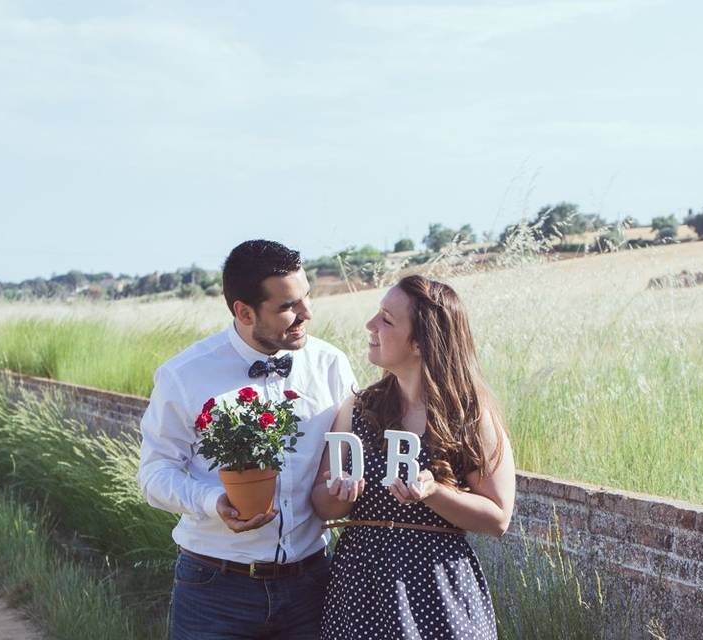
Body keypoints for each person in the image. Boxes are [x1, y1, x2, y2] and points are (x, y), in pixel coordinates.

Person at [137, 240, 357, 639]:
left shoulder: (332, 366)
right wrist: (211, 502)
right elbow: (154, 475)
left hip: (313, 585)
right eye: (289, 306)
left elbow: (351, 459)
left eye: (307, 298)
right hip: (215, 591)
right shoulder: (183, 375)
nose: (306, 314)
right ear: (243, 311)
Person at [312, 274, 516, 640]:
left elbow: (498, 518)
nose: (370, 326)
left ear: (420, 342)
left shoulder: (471, 415)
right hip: (360, 591)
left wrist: (433, 492)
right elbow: (323, 505)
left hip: (438, 592)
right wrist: (337, 493)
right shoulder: (357, 408)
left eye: (386, 320)